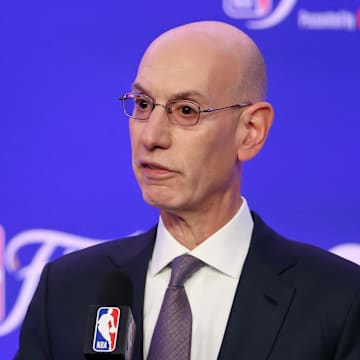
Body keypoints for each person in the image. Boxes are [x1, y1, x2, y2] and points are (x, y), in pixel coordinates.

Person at [15, 21, 360, 360]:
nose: (152, 137)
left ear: (251, 131)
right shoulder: (65, 290)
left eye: (186, 111)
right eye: (143, 104)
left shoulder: (339, 300)